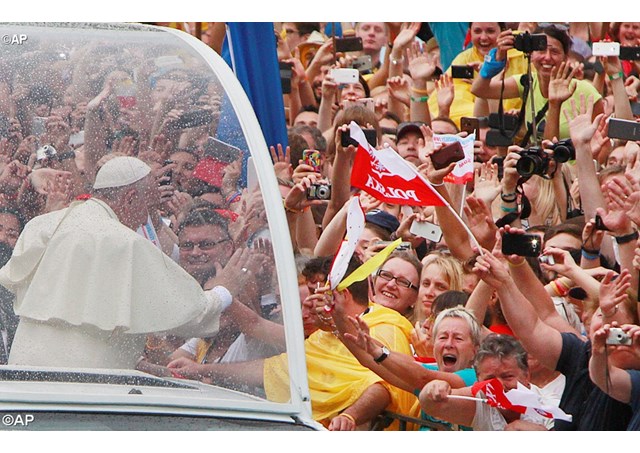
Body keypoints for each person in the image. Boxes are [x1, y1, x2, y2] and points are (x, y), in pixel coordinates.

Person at [0, 156, 251, 369]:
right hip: (81, 391)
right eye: (147, 208)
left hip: (24, 380)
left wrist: (136, 360)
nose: (145, 221)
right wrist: (224, 290)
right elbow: (189, 314)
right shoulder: (125, 243)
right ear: (131, 197)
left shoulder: (43, 225)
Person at [167, 255, 417, 430]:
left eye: (316, 292)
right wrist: (200, 370)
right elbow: (273, 369)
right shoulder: (324, 334)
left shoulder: (384, 327)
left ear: (342, 295)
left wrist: (350, 416)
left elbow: (382, 387)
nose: (309, 302)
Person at [420, 334, 552, 430]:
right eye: (490, 379)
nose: (499, 386)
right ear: (478, 380)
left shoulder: (551, 406)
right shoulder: (480, 400)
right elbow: (431, 406)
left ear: (526, 375)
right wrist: (432, 389)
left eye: (508, 376)